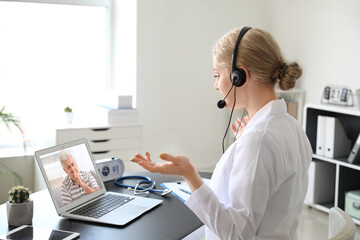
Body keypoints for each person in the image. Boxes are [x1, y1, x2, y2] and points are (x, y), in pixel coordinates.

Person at [131, 27, 312, 239]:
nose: (215, 85)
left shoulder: (259, 140)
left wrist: (190, 175)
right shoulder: (291, 126)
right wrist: (245, 143)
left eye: (217, 75)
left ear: (239, 76)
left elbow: (235, 233)